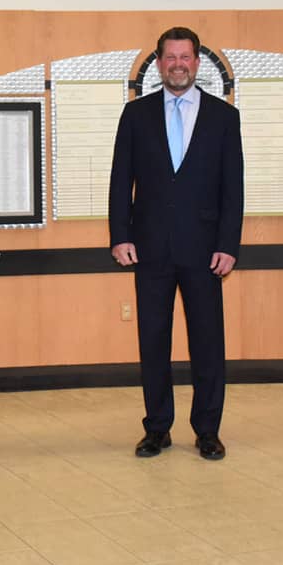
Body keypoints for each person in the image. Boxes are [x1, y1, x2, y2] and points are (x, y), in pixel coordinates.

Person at [108, 27, 244, 460]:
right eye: (170, 57)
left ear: (197, 63)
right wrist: (120, 235)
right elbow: (119, 180)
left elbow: (233, 189)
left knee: (208, 342)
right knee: (153, 341)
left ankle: (207, 430)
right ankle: (157, 429)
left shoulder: (224, 118)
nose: (178, 64)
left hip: (206, 251)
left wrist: (229, 244)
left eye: (186, 57)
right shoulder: (136, 114)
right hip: (148, 248)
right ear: (160, 63)